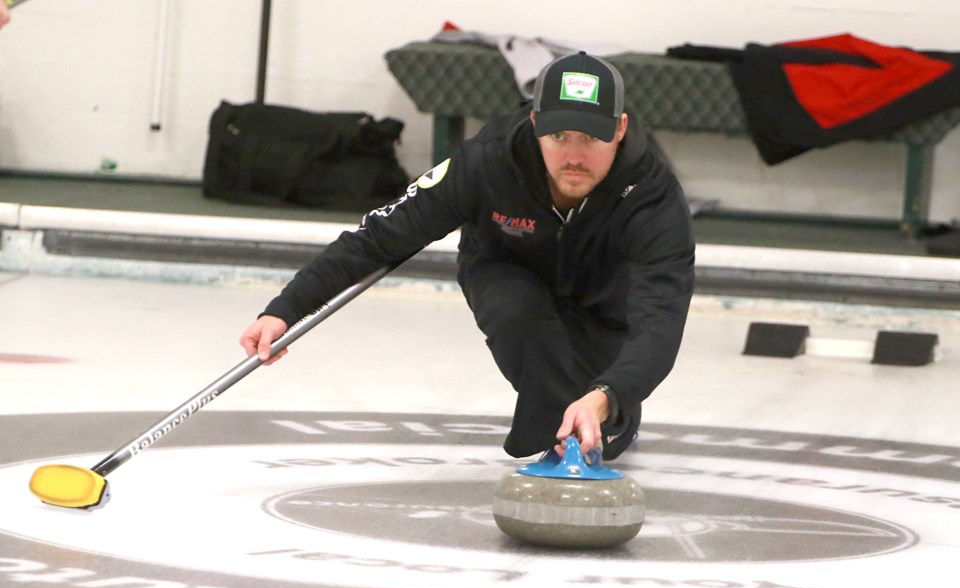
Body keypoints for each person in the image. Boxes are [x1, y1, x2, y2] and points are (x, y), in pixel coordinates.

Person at [240, 52, 695, 461]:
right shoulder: (486, 162)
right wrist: (285, 310)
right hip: (507, 268)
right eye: (559, 136)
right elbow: (380, 237)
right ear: (535, 122)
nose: (573, 156)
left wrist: (608, 396)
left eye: (591, 139)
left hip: (604, 296)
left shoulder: (653, 196)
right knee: (521, 317)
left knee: (607, 407)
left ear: (620, 129)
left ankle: (608, 421)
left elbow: (661, 320)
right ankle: (556, 445)